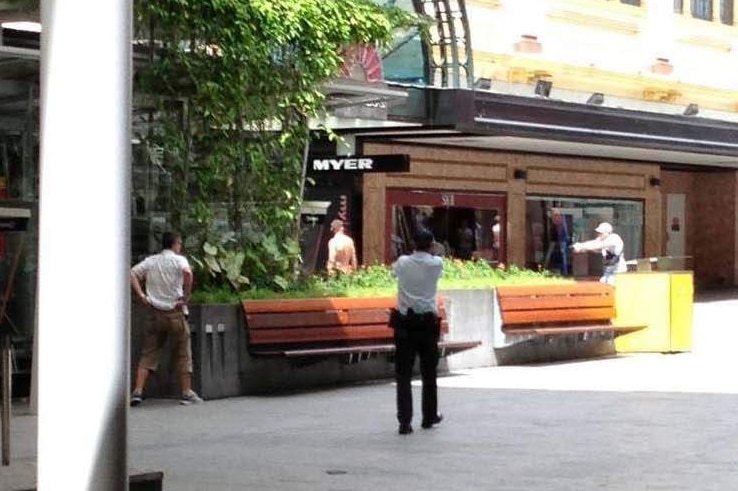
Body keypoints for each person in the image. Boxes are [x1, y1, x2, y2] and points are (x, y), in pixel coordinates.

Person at [130, 231, 203, 406]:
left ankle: (138, 391)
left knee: (148, 352)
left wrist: (141, 295)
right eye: (180, 243)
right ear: (176, 244)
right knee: (183, 352)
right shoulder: (180, 260)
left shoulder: (151, 261)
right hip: (175, 312)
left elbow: (132, 273)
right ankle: (186, 392)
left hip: (155, 313)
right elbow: (188, 273)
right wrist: (186, 296)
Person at [390, 229, 444, 435]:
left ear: (413, 244)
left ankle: (405, 422)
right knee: (429, 373)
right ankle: (429, 416)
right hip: (428, 325)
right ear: (430, 245)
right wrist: (434, 249)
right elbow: (439, 253)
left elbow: (392, 272)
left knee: (403, 374)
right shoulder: (436, 264)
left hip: (405, 324)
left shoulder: (403, 262)